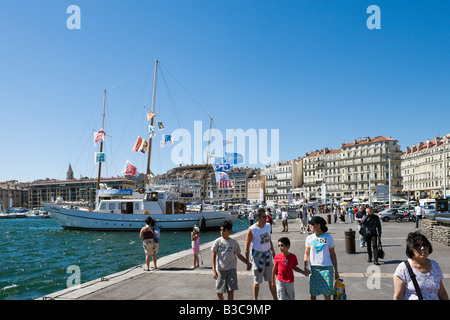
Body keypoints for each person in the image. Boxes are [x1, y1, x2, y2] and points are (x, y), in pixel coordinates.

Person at [393, 231, 449, 300]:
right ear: (411, 249)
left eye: (425, 245)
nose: (422, 248)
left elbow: (442, 292)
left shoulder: (435, 265)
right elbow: (398, 296)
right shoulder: (403, 268)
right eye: (417, 246)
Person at [212, 220, 251, 300]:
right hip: (220, 269)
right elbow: (213, 255)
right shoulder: (217, 242)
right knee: (219, 292)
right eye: (221, 230)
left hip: (231, 269)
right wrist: (213, 270)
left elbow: (239, 255)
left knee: (230, 290)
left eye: (223, 230)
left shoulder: (234, 242)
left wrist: (247, 262)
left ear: (228, 231)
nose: (221, 232)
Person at [245, 208, 278, 300]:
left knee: (271, 279)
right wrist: (248, 262)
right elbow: (247, 246)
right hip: (257, 258)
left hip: (268, 256)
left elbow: (269, 240)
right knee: (257, 281)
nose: (266, 218)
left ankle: (275, 298)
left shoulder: (268, 226)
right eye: (264, 217)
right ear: (258, 218)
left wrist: (273, 252)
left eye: (266, 216)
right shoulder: (252, 229)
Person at [304, 216, 339, 300]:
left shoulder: (328, 237)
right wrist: (305, 267)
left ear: (318, 225)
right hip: (313, 269)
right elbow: (307, 253)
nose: (310, 226)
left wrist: (336, 270)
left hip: (327, 268)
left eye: (312, 224)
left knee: (327, 294)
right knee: (312, 294)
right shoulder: (309, 238)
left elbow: (332, 254)